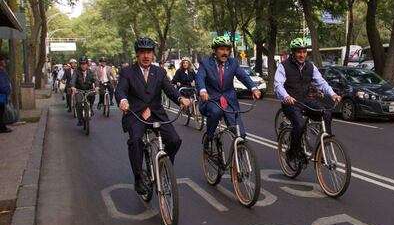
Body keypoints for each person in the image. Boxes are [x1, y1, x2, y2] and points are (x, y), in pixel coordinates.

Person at [115, 37, 190, 195]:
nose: (146, 56)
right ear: (137, 54)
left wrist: (180, 99)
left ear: (153, 54)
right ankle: (138, 178)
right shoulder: (127, 72)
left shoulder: (160, 72)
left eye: (149, 52)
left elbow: (169, 89)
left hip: (156, 114)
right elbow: (120, 89)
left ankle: (164, 166)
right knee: (135, 141)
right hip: (135, 113)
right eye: (142, 52)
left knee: (175, 140)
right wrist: (122, 100)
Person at [274, 38, 341, 164]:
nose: (302, 55)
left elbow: (321, 82)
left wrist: (333, 94)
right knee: (299, 124)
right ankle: (292, 152)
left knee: (326, 113)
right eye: (299, 52)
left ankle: (324, 148)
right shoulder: (283, 66)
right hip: (291, 103)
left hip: (306, 100)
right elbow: (278, 85)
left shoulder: (310, 66)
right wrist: (286, 96)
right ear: (293, 52)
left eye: (304, 52)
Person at [196, 36, 261, 151]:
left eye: (227, 50)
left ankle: (240, 161)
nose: (225, 53)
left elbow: (243, 76)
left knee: (240, 133)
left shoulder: (233, 63)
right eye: (221, 49)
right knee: (216, 112)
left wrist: (253, 88)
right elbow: (200, 78)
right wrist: (203, 90)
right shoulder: (206, 63)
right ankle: (209, 137)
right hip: (212, 99)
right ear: (214, 51)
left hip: (229, 101)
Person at [71, 56, 99, 126]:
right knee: (78, 102)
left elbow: (95, 79)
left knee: (93, 94)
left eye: (85, 64)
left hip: (89, 89)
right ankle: (80, 120)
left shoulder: (91, 71)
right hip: (79, 90)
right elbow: (73, 79)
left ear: (87, 64)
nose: (83, 65)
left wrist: (97, 86)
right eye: (82, 64)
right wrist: (73, 87)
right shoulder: (76, 71)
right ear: (80, 65)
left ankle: (91, 108)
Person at [0, 54, 12, 133]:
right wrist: (7, 93)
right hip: (1, 95)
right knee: (1, 111)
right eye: (4, 60)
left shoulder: (2, 70)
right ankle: (2, 128)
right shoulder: (1, 71)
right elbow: (3, 84)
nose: (5, 62)